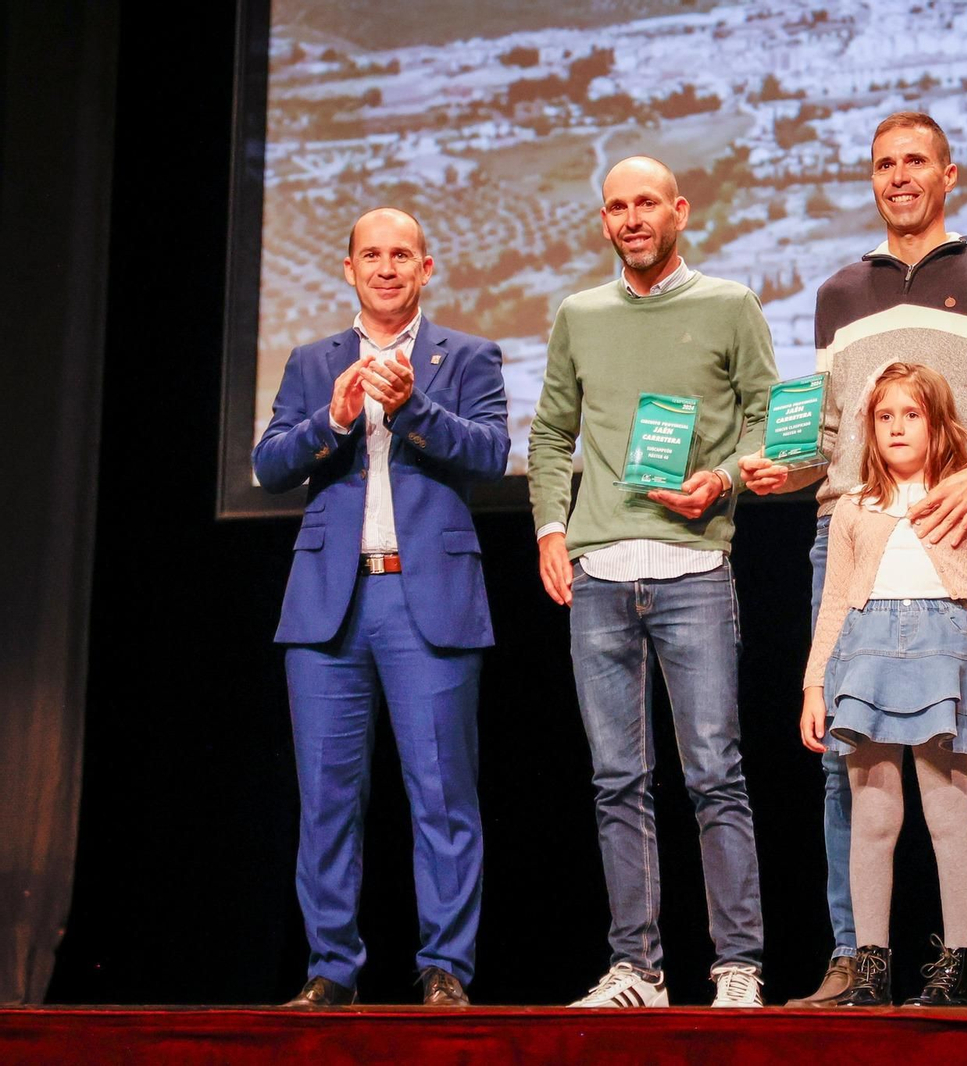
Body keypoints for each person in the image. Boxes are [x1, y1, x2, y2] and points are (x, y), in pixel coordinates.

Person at [740, 112, 967, 1006]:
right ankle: (858, 960)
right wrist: (787, 466)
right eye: (885, 165)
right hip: (851, 539)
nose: (899, 177)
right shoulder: (842, 292)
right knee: (850, 764)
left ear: (948, 173)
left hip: (956, 543)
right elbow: (834, 435)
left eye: (915, 161)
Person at [529, 156, 777, 1008]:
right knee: (616, 781)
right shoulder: (579, 315)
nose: (631, 218)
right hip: (599, 576)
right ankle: (637, 969)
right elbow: (552, 433)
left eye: (646, 204)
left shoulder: (728, 305)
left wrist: (724, 480)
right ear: (604, 222)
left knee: (714, 773)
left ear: (679, 211)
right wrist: (551, 528)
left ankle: (737, 966)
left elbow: (769, 418)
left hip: (696, 570)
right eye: (616, 207)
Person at [253, 207, 509, 1007]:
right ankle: (331, 970)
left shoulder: (466, 355)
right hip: (331, 602)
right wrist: (331, 420)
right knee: (328, 797)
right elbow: (268, 466)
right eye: (373, 255)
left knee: (441, 796)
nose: (388, 267)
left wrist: (413, 410)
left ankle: (445, 971)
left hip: (425, 596)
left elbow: (492, 452)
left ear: (426, 268)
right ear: (349, 268)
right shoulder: (310, 361)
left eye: (403, 255)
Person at [800, 363, 967, 1008]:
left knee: (951, 815)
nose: (897, 427)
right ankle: (870, 968)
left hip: (943, 654)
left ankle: (958, 967)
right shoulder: (852, 509)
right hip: (865, 657)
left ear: (938, 422)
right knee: (872, 816)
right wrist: (816, 686)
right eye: (884, 415)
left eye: (911, 414)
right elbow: (835, 603)